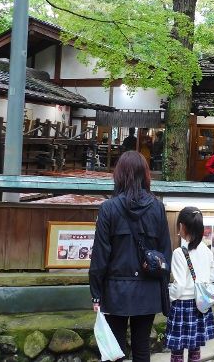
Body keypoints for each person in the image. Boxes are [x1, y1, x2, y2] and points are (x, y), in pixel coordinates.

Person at [89, 151, 172, 361]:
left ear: (119, 175)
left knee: (114, 349)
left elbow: (99, 256)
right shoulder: (157, 208)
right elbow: (165, 254)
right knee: (142, 346)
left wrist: (96, 293)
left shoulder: (108, 208)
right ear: (145, 175)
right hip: (148, 290)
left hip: (115, 290)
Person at [166, 207, 214, 362]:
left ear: (182, 226)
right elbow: (213, 275)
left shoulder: (179, 253)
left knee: (177, 350)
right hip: (200, 305)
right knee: (195, 348)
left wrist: (168, 295)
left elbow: (179, 286)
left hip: (182, 306)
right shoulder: (206, 251)